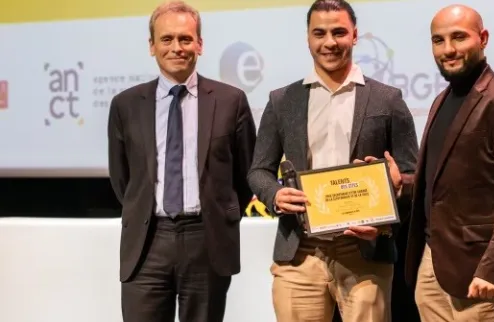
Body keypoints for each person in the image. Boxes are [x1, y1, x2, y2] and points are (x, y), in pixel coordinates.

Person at [247, 1, 418, 321]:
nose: (329, 42)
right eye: (319, 33)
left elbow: (412, 174)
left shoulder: (387, 99)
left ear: (354, 36)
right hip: (300, 252)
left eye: (339, 32)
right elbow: (259, 170)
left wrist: (392, 199)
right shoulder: (282, 100)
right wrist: (275, 195)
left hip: (364, 252)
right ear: (308, 38)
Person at [107, 1, 256, 321]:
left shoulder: (231, 101)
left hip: (207, 239)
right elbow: (123, 180)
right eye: (167, 39)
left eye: (186, 39)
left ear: (200, 44)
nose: (177, 47)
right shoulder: (125, 105)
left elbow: (246, 176)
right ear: (152, 46)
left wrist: (219, 214)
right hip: (147, 243)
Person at [404, 4, 494, 322]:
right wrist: (402, 182)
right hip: (433, 265)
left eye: (458, 37)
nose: (448, 49)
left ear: (483, 38)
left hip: (479, 271)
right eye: (438, 40)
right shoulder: (442, 99)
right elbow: (447, 181)